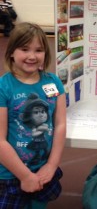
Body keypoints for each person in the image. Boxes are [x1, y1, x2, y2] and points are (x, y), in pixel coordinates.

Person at [0, 22, 66, 209]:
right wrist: (25, 176)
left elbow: (60, 124)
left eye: (39, 50)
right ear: (11, 52)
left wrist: (52, 165)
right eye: (24, 49)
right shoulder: (4, 87)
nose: (32, 56)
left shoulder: (53, 82)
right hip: (10, 173)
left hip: (42, 168)